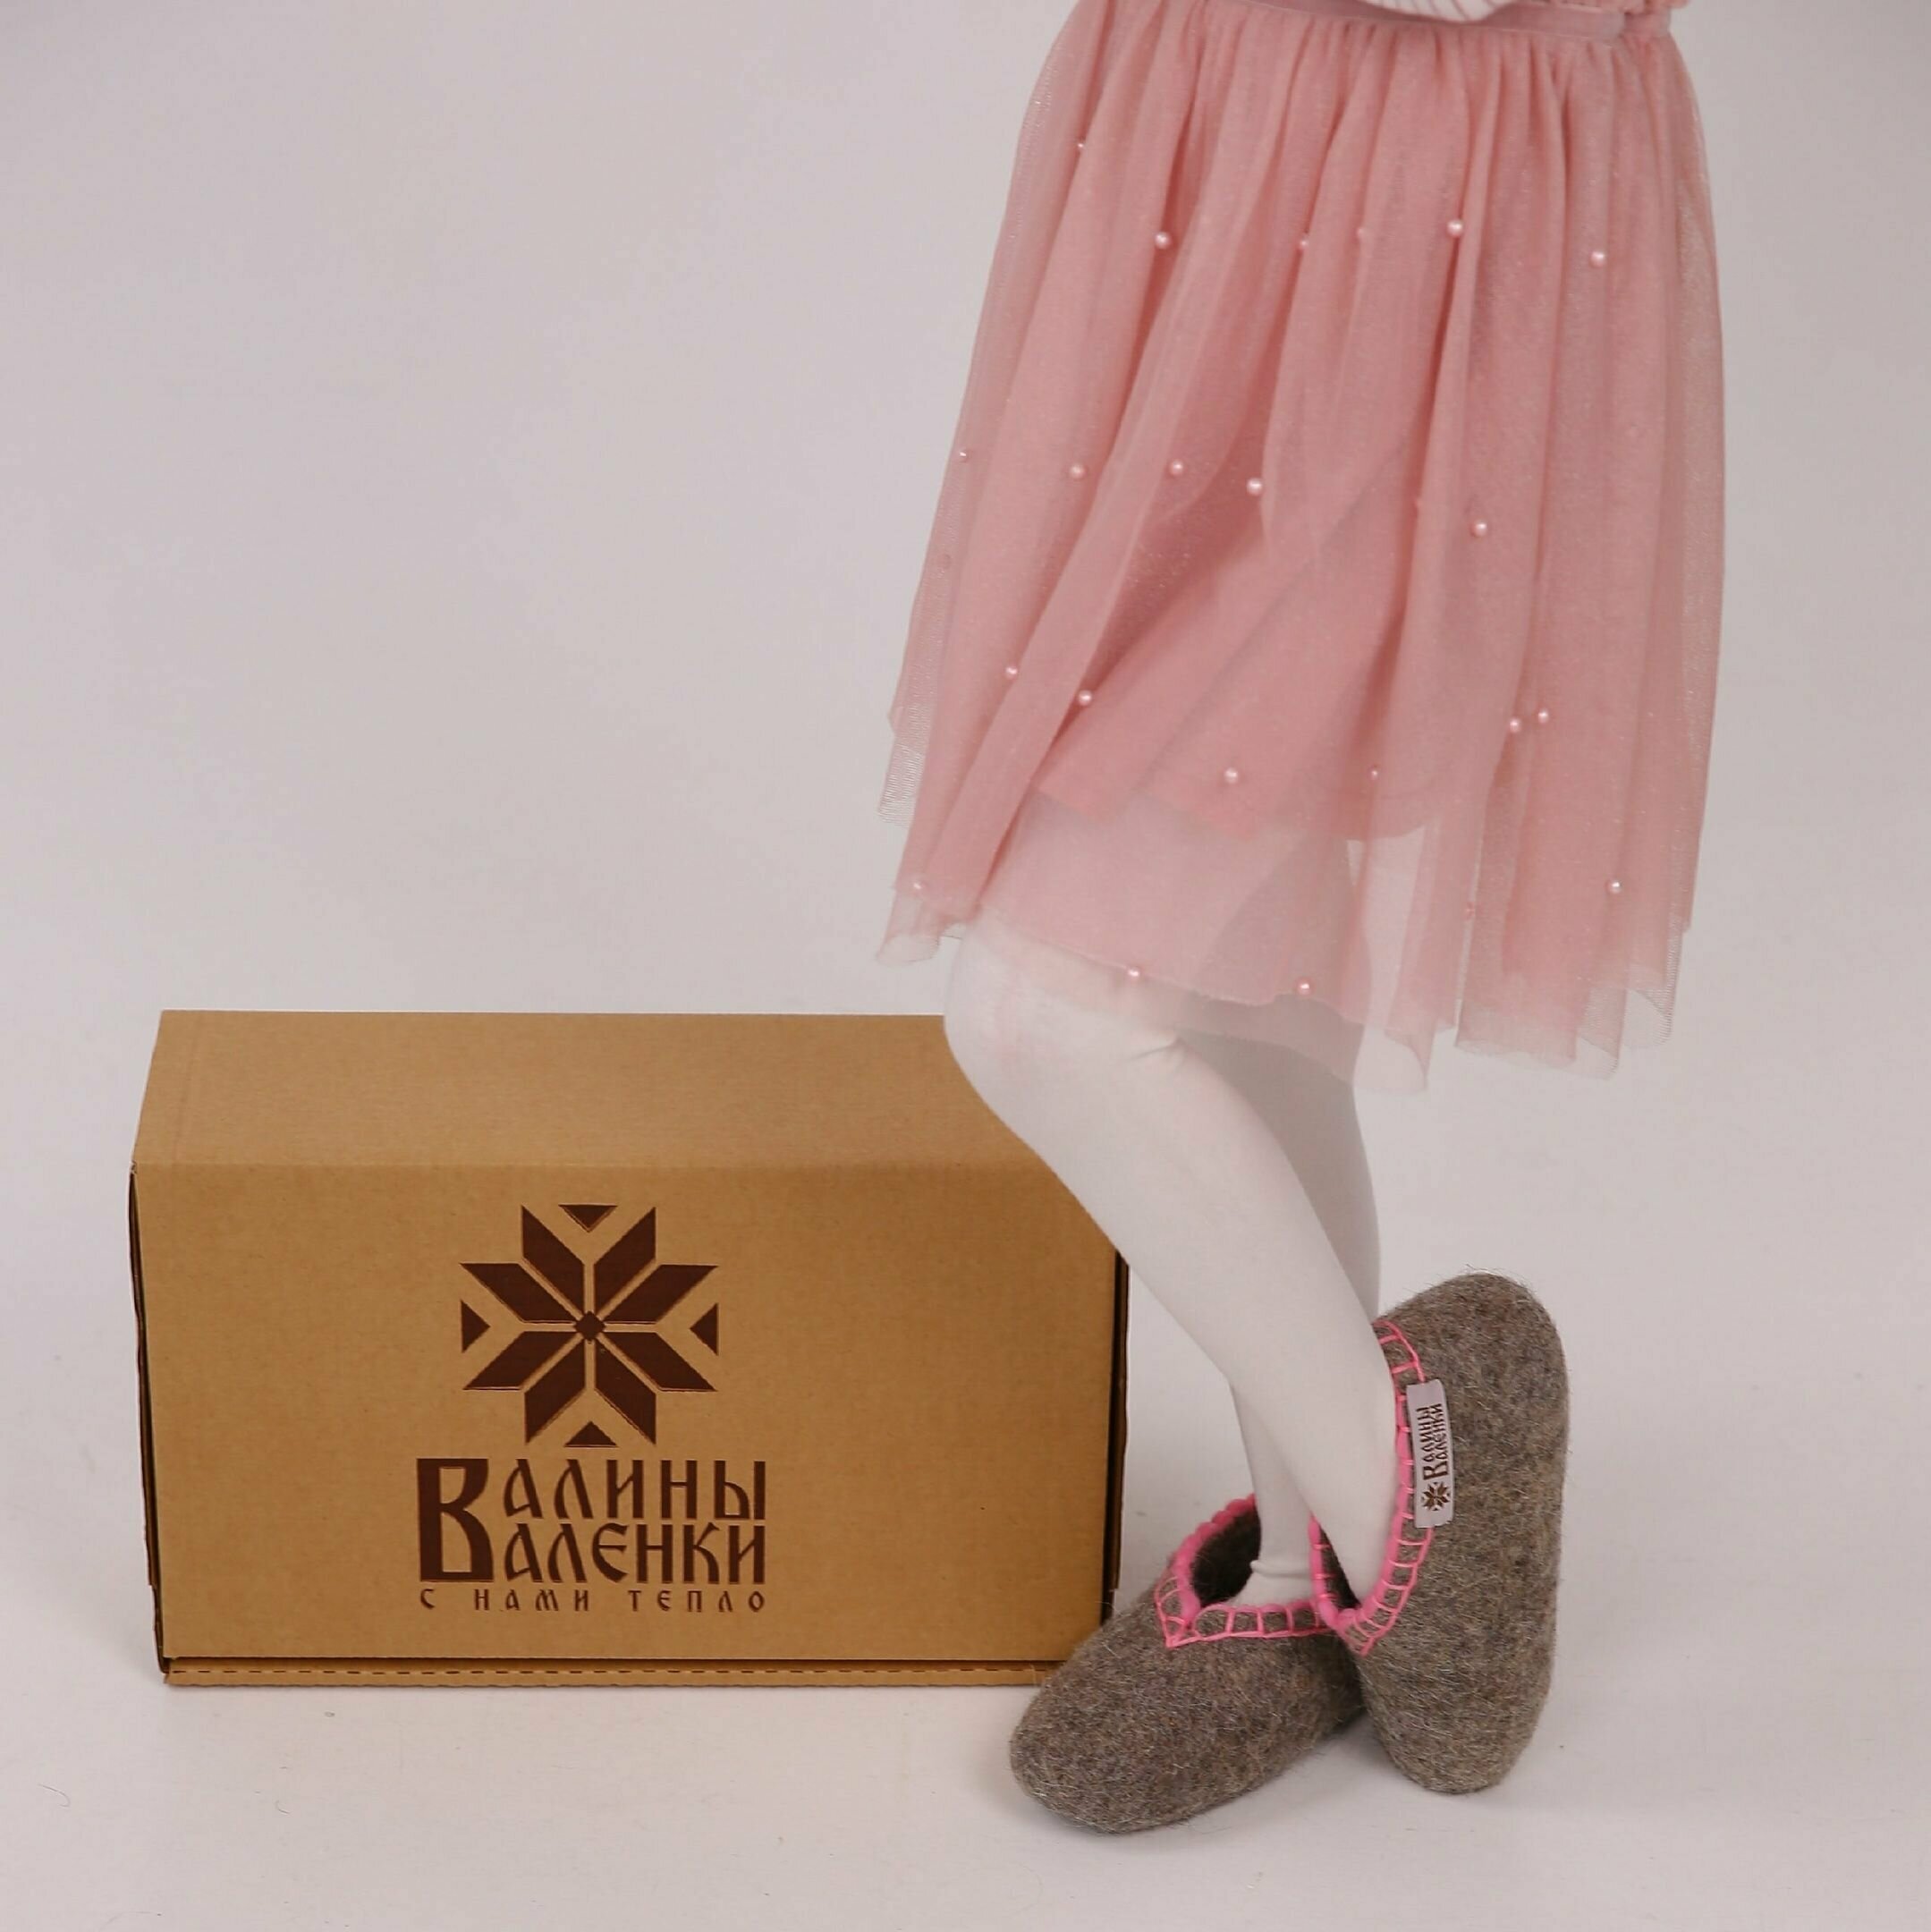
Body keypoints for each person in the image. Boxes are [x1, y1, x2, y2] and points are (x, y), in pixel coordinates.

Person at [873, 0, 1723, 1833]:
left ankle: (1408, 1515)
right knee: (1232, 965)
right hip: (1229, 120)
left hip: (1421, 159)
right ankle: (1305, 1562)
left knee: (1045, 1008)